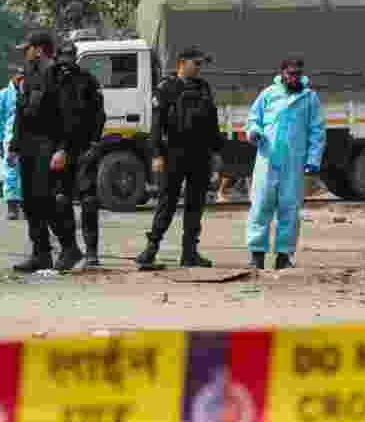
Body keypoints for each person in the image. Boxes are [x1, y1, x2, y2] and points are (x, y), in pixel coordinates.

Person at [135, 46, 224, 269]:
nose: (199, 68)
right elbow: (156, 125)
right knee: (167, 204)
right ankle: (150, 251)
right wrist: (156, 154)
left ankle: (190, 253)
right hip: (173, 154)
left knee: (196, 205)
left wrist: (217, 153)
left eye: (201, 64)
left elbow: (212, 124)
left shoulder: (203, 87)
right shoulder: (167, 88)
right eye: (196, 63)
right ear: (182, 63)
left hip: (200, 155)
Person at [7, 31, 83, 272]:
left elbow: (68, 116)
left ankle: (69, 248)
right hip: (29, 146)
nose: (25, 53)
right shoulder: (27, 74)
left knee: (47, 200)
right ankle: (40, 253)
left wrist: (63, 149)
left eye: (28, 48)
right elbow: (21, 112)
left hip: (49, 144)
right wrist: (14, 146)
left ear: (39, 49)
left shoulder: (55, 73)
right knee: (29, 202)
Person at [244, 58, 326, 269]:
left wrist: (313, 160)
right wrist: (254, 132)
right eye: (290, 73)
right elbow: (254, 119)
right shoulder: (269, 94)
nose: (294, 77)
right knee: (261, 205)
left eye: (297, 73)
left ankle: (283, 255)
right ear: (282, 73)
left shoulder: (309, 98)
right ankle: (257, 254)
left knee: (289, 208)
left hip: (293, 162)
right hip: (267, 158)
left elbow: (317, 131)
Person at [53, 42, 106, 267]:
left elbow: (99, 114)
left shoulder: (87, 80)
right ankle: (69, 249)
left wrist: (94, 143)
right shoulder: (51, 79)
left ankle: (92, 251)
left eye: (70, 56)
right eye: (63, 56)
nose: (66, 60)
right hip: (59, 150)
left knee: (89, 200)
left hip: (84, 148)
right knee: (61, 199)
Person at [0, 65, 25, 220]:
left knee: (28, 174)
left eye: (23, 75)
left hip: (29, 140)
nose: (20, 78)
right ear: (12, 76)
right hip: (9, 140)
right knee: (11, 173)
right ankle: (12, 207)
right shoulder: (3, 95)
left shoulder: (31, 92)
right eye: (18, 75)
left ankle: (26, 206)